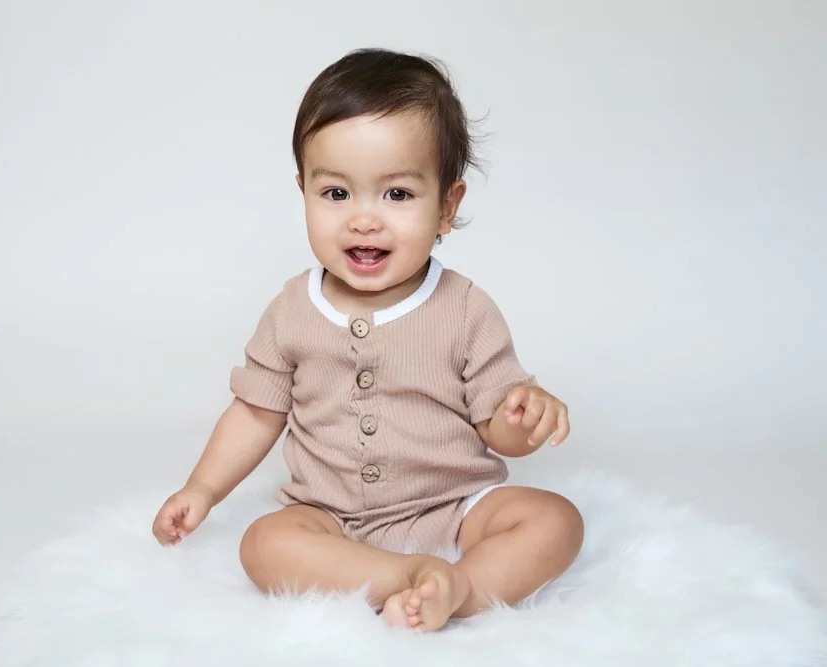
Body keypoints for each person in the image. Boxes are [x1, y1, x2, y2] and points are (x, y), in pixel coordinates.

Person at [152, 47, 584, 632]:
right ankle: (399, 577)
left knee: (555, 521)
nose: (363, 219)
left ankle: (464, 586)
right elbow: (256, 413)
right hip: (328, 515)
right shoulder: (291, 310)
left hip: (455, 507)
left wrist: (523, 418)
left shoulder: (464, 308)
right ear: (303, 190)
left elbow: (497, 430)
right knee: (263, 544)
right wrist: (202, 489)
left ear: (446, 207)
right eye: (336, 194)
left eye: (397, 195)